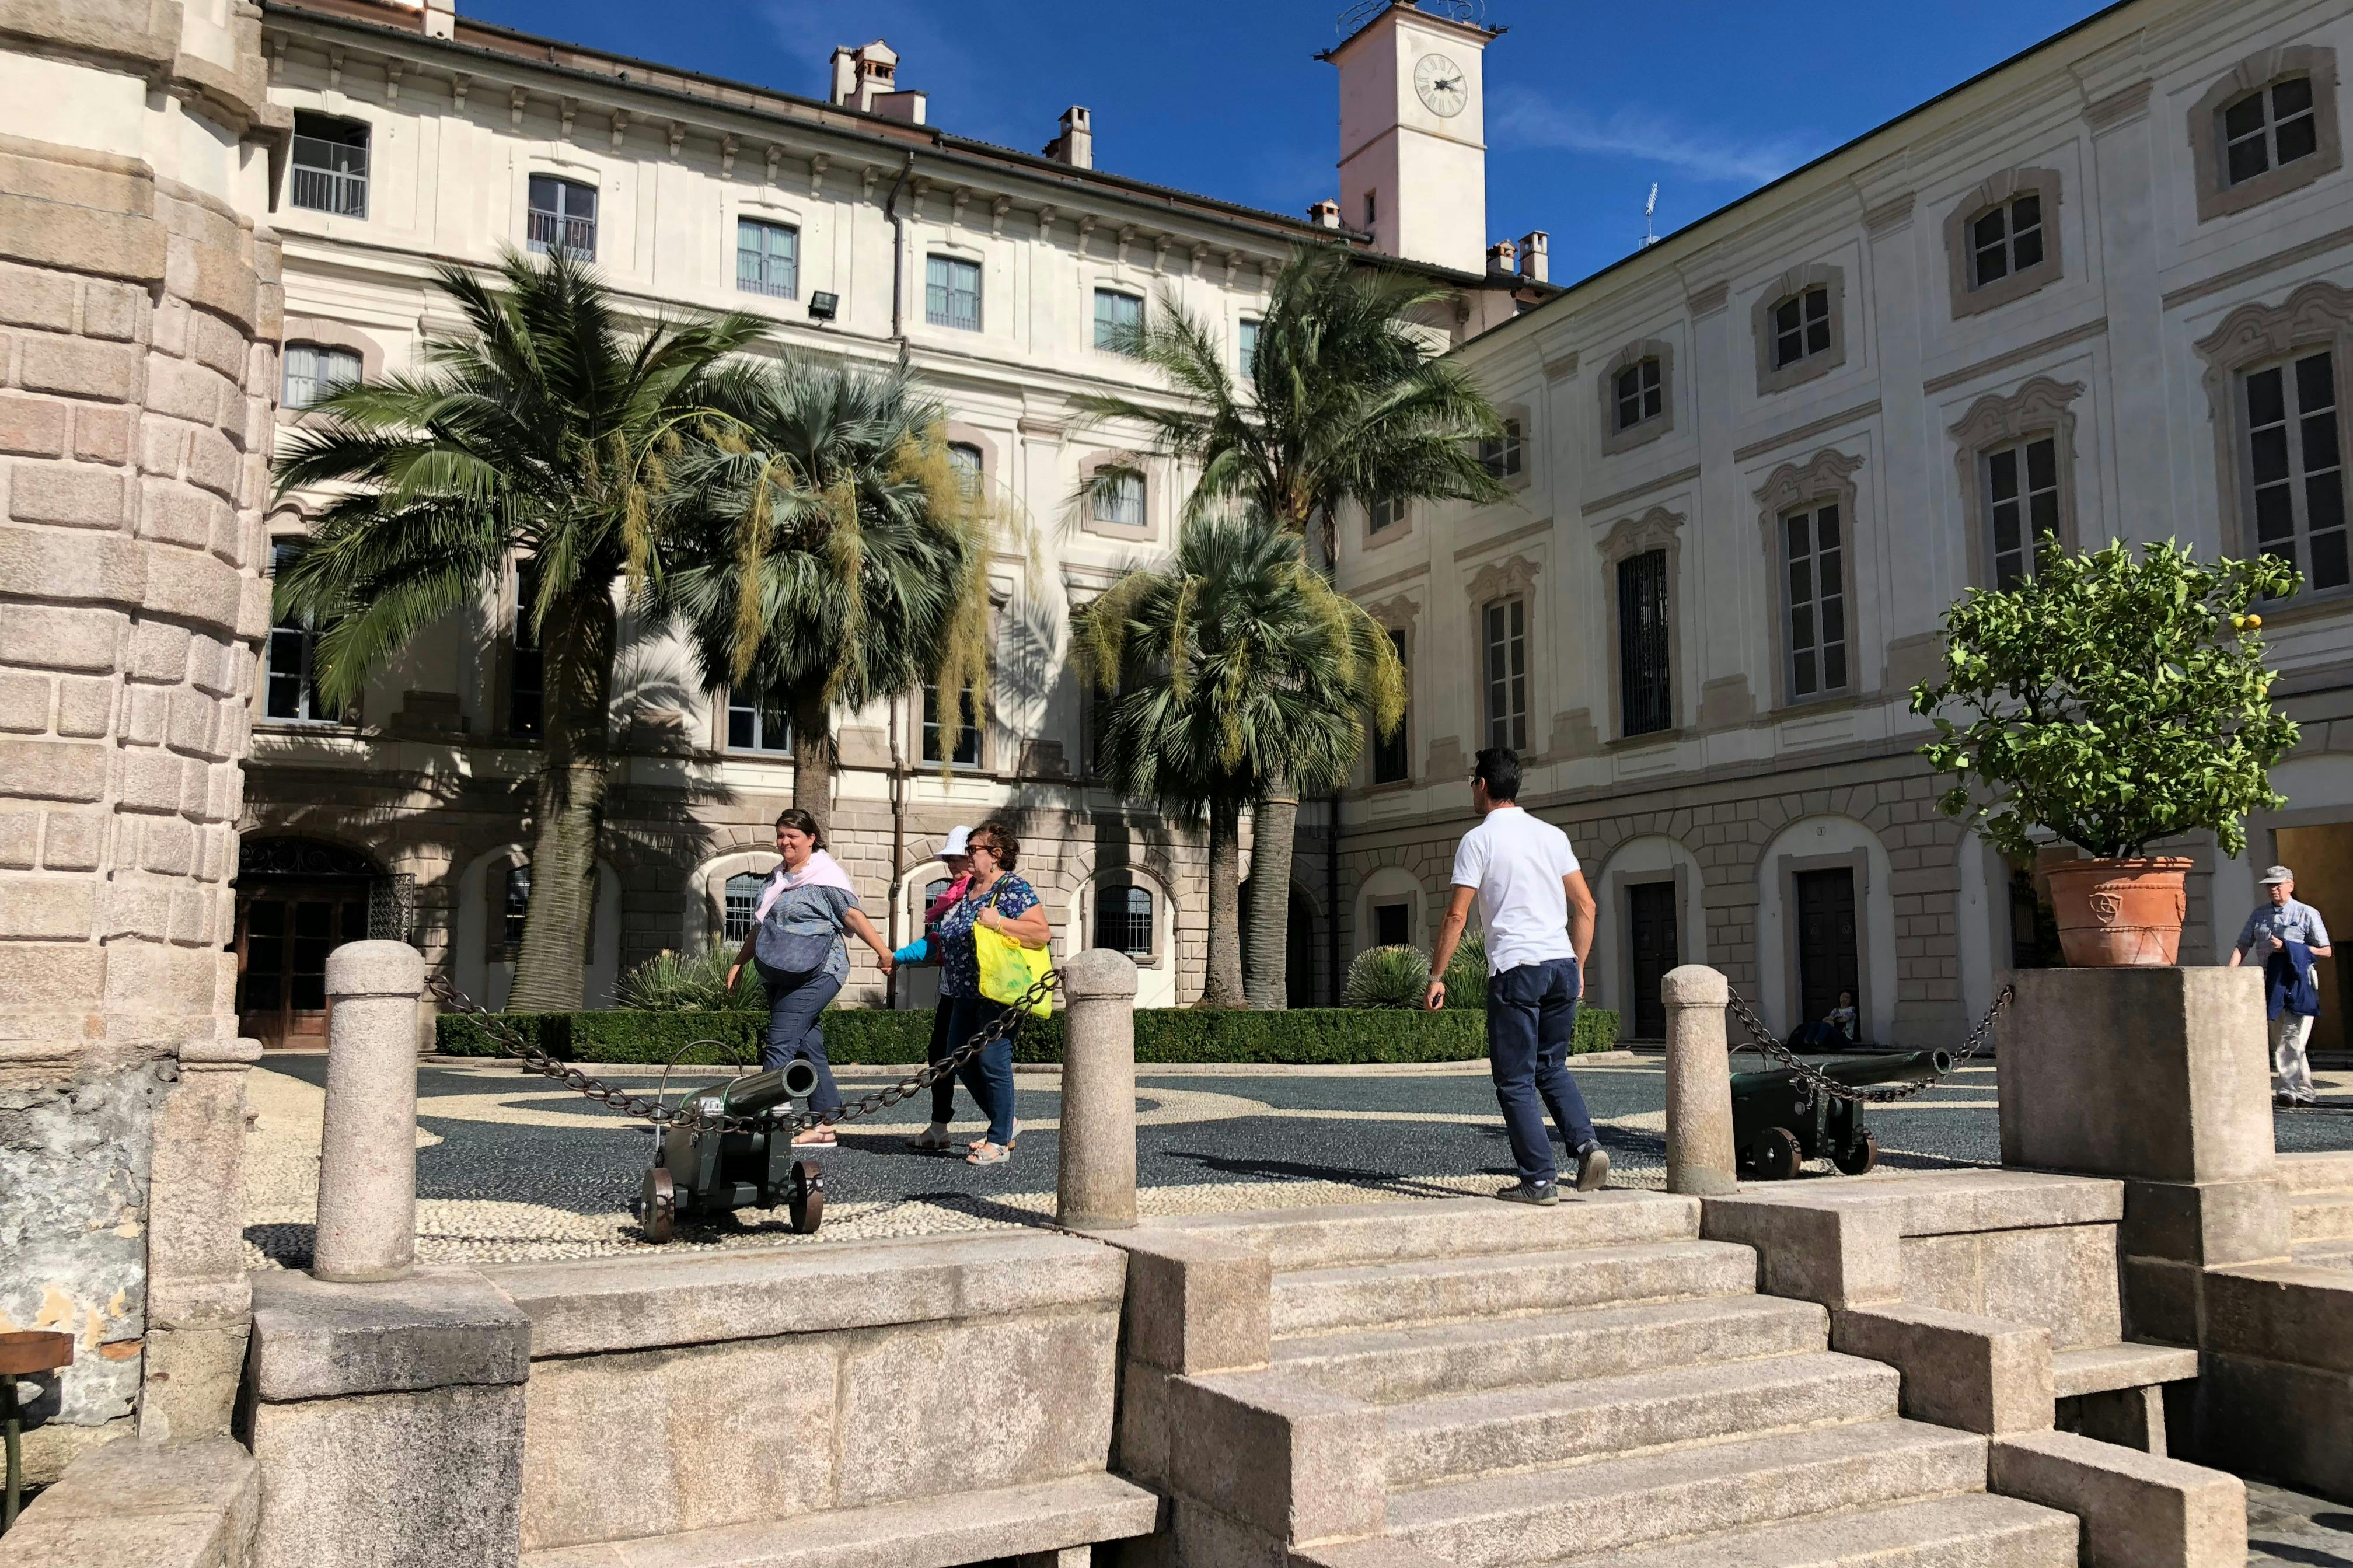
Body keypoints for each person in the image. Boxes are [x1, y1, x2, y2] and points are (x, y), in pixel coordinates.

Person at [1425, 748, 1609, 1204]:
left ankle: (1540, 1179)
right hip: (1561, 964)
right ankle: (1587, 1145)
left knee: (1514, 1080)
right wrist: (1579, 966)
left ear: (1483, 785)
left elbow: (1456, 916)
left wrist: (1436, 975)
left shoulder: (1478, 840)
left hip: (1517, 967)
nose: (1471, 788)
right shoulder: (1552, 835)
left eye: (1472, 780)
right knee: (1552, 1066)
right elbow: (1586, 906)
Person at [725, 808, 896, 1146]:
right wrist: (739, 963)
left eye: (793, 836)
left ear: (811, 839)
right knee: (808, 1046)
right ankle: (826, 1123)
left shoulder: (824, 876)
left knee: (780, 1042)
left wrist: (884, 952)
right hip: (778, 973)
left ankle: (765, 1126)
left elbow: (853, 916)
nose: (785, 842)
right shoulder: (776, 878)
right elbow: (761, 928)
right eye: (781, 835)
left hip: (820, 972)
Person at [930, 819, 1050, 1165]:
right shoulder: (969, 890)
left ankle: (998, 1141)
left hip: (998, 993)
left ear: (995, 855)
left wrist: (998, 922)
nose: (967, 855)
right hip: (962, 994)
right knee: (956, 1059)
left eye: (972, 849)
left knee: (993, 1061)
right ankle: (1006, 1123)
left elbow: (1041, 933)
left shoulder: (1012, 888)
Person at [895, 825, 975, 1152]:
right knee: (940, 1056)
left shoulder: (978, 894)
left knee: (978, 1060)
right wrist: (897, 957)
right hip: (950, 989)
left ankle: (1004, 1125)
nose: (952, 866)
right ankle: (940, 1126)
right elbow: (937, 943)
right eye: (950, 859)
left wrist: (897, 957)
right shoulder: (954, 898)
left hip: (975, 991)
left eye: (958, 859)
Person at [2230, 865, 2334, 1108]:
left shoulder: (2307, 913)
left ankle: (2287, 1088)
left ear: (2291, 886)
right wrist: (2230, 973)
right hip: (2272, 980)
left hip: (2300, 979)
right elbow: (2243, 945)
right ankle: (2306, 1090)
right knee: (2283, 1039)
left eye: (2277, 885)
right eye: (2269, 885)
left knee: (2293, 1038)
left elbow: (2326, 951)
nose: (2273, 890)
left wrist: (2291, 948)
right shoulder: (2259, 915)